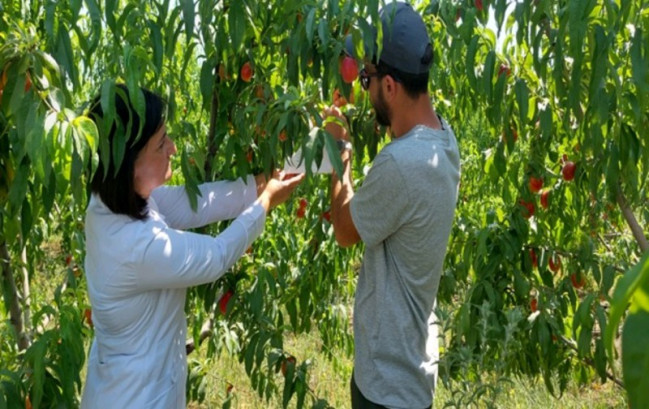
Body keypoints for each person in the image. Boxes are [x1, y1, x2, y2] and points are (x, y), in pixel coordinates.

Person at [80, 84, 303, 408]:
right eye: (160, 144)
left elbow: (197, 203)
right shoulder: (135, 244)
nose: (172, 148)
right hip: (136, 399)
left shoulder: (110, 202)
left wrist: (260, 183)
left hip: (122, 384)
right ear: (130, 165)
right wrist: (266, 201)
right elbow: (215, 256)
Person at [323, 3, 461, 408]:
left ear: (389, 87)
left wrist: (340, 152)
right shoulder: (444, 141)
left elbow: (345, 232)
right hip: (413, 369)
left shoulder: (401, 165)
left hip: (385, 385)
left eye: (366, 77)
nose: (362, 87)